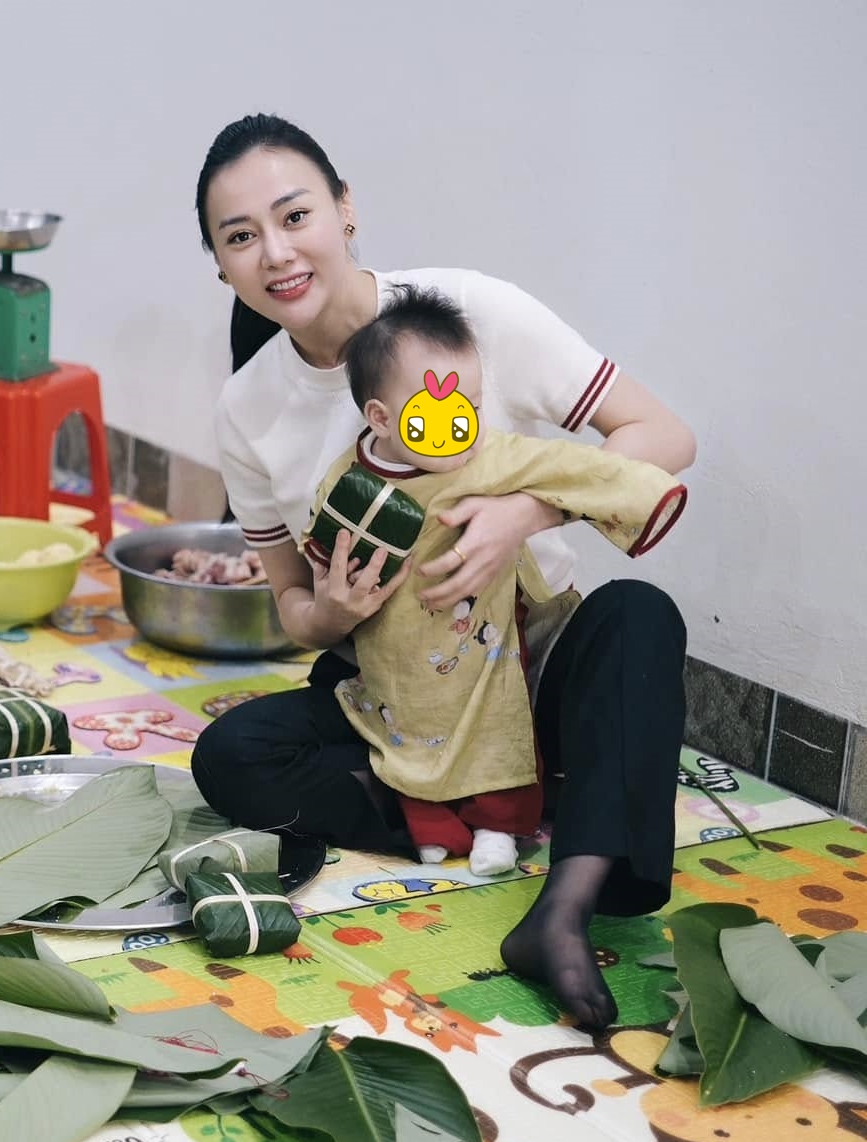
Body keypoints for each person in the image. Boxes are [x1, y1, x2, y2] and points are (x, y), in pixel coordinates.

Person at [189, 114, 698, 1029]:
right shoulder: (246, 405)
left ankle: (562, 907)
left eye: (294, 214)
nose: (275, 252)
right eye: (241, 237)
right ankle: (479, 805)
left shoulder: (471, 312)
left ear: (346, 212)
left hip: (531, 665)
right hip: (394, 693)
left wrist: (523, 513)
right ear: (220, 265)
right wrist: (334, 611)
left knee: (639, 618)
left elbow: (662, 438)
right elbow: (294, 613)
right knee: (231, 755)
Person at [311, 286, 687, 878]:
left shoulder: (490, 457)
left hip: (487, 642)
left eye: (472, 408)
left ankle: (500, 827)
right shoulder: (350, 477)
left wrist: (529, 510)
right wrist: (336, 594)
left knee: (499, 727)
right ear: (379, 418)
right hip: (399, 648)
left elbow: (579, 469)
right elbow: (326, 543)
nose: (463, 429)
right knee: (402, 726)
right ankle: (431, 823)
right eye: (439, 418)